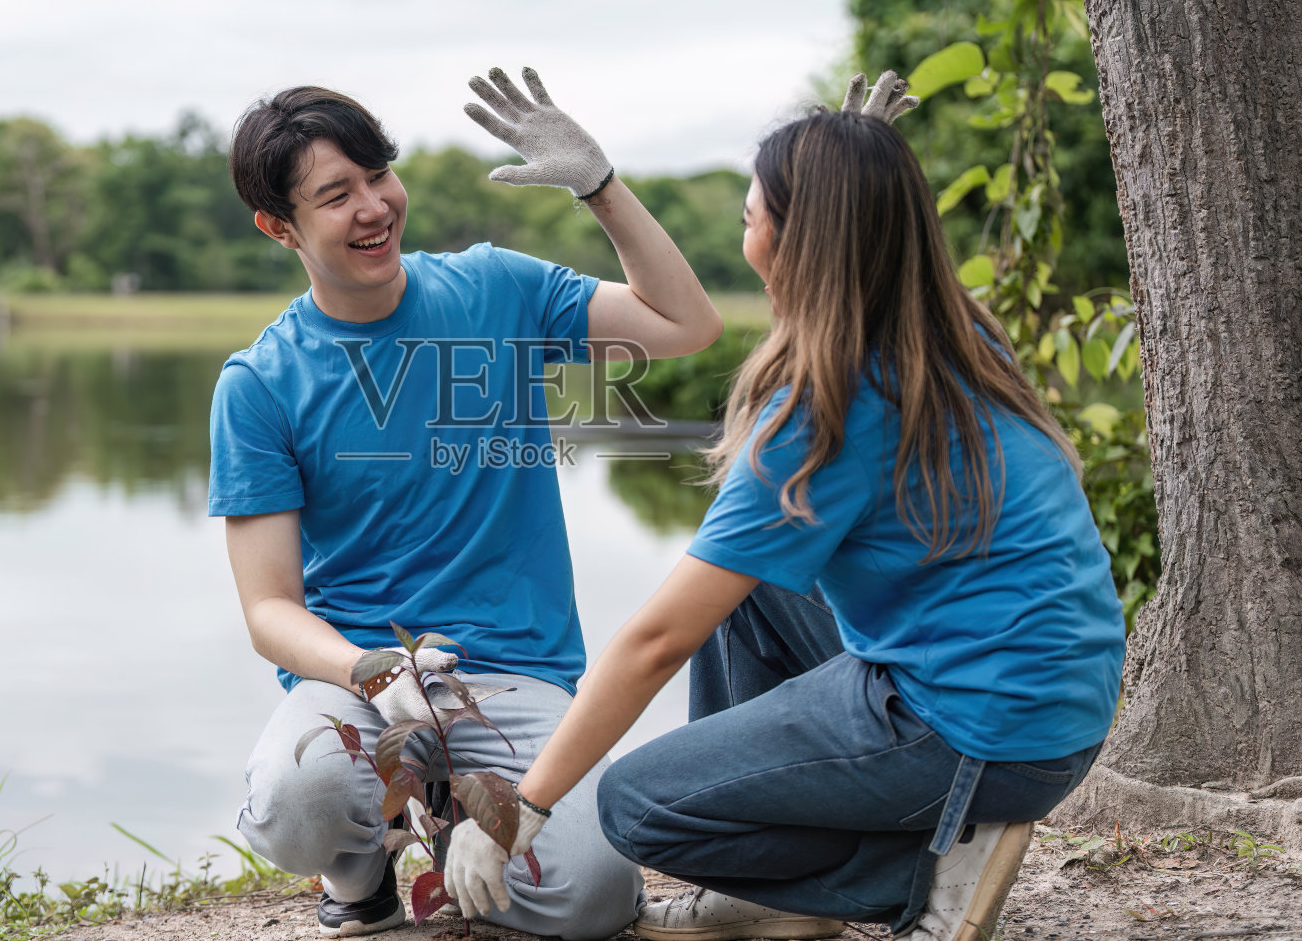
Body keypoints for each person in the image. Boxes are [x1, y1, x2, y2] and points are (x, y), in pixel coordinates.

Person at [441, 73, 1128, 941]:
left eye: (750, 215)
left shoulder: (821, 411)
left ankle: (924, 870)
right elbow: (864, 257)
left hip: (980, 735)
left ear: (797, 239)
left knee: (636, 802)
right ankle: (780, 892)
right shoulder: (956, 329)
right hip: (1058, 707)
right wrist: (853, 169)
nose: (745, 237)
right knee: (751, 587)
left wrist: (522, 806)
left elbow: (657, 641)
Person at [211, 67, 724, 939]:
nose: (373, 207)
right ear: (278, 225)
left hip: (516, 671)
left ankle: (460, 821)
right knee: (303, 798)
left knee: (595, 896)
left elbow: (685, 325)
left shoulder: (495, 288)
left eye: (379, 175)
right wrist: (373, 671)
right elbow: (269, 609)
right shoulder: (260, 382)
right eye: (336, 195)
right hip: (363, 683)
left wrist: (600, 188)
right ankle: (359, 873)